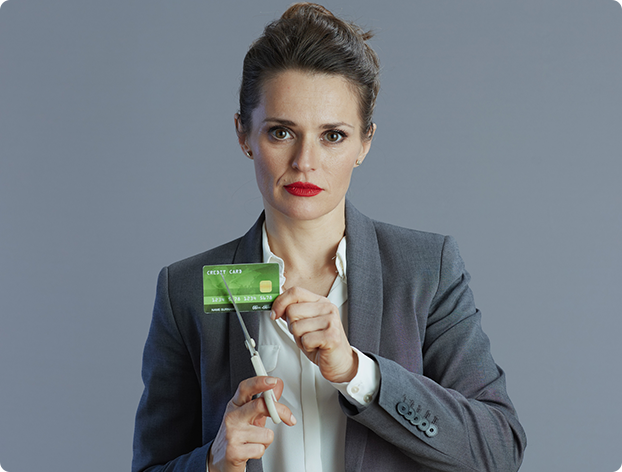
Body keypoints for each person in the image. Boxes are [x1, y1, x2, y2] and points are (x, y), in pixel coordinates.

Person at [132, 3, 527, 472]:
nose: (305, 161)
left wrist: (360, 373)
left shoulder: (427, 269)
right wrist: (212, 464)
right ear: (244, 135)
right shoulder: (186, 290)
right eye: (281, 132)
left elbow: (498, 450)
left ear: (365, 142)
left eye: (333, 136)